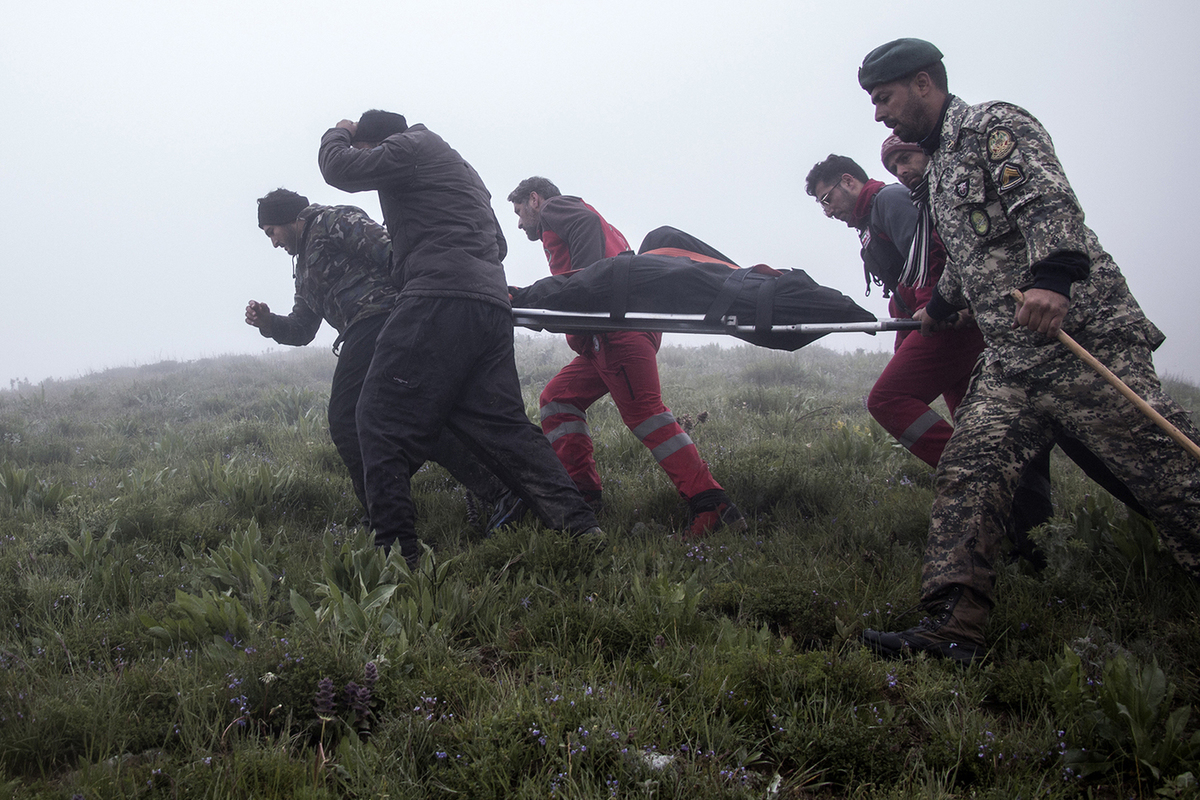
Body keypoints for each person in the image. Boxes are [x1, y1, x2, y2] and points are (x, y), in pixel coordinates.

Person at [855, 38, 1200, 664]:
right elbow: (971, 253)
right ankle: (953, 628)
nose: (880, 114)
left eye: (885, 98)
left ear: (924, 83)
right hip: (1014, 362)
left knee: (1163, 473)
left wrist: (1054, 278)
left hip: (1079, 340)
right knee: (970, 471)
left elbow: (1047, 206)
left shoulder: (994, 126)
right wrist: (938, 306)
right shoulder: (934, 171)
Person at [317, 112, 600, 562]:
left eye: (370, 154)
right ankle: (581, 527)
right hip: (487, 304)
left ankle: (397, 556)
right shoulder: (462, 170)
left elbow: (338, 169)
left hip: (437, 297)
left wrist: (342, 132)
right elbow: (500, 245)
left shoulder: (409, 147)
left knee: (374, 416)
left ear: (378, 143)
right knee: (504, 426)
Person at [246, 189, 518, 528]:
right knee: (417, 420)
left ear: (291, 219)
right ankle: (501, 491)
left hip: (385, 319)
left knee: (346, 420)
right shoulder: (303, 268)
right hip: (364, 330)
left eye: (271, 231)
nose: (273, 242)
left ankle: (383, 516)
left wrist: (426, 305)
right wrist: (270, 323)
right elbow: (303, 328)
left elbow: (393, 252)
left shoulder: (334, 220)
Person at [507, 177, 746, 536]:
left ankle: (712, 504)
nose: (520, 221)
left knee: (647, 416)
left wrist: (586, 285)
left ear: (535, 199)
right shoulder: (592, 226)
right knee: (558, 399)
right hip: (610, 336)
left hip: (616, 334)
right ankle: (583, 494)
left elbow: (589, 263)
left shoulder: (559, 209)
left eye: (519, 211)